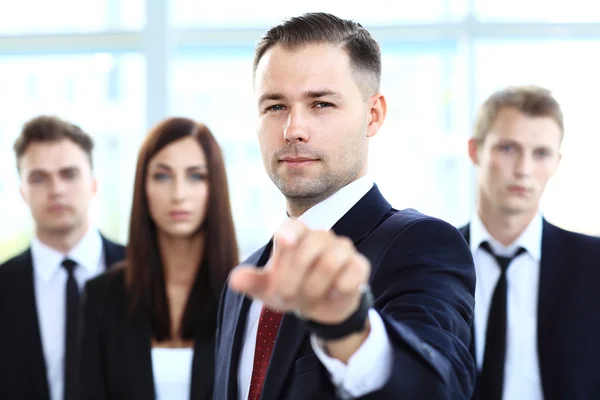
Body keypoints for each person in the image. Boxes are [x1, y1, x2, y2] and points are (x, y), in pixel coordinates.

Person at [213, 12, 476, 400]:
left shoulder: (422, 245)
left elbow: (438, 385)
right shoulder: (245, 279)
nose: (293, 130)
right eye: (275, 107)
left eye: (320, 104)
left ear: (373, 115)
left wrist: (347, 328)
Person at [78, 117, 239, 399]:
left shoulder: (242, 298)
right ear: (144, 187)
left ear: (215, 187)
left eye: (196, 176)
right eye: (162, 176)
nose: (178, 194)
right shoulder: (102, 296)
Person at [459, 85, 600, 400]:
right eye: (508, 148)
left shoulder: (593, 265)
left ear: (556, 163)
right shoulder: (434, 257)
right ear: (475, 150)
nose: (523, 170)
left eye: (541, 153)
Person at [0, 115, 125, 400]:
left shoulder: (141, 272)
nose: (56, 189)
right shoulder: (3, 286)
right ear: (22, 192)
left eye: (69, 174)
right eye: (39, 178)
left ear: (93, 184)